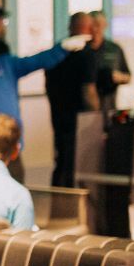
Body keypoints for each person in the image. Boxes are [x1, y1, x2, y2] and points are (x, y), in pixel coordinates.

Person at [0, 24, 88, 182]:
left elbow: (36, 61)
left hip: (10, 145)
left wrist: (62, 48)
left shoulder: (4, 64)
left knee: (15, 187)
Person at [45, 12, 99, 187]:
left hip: (59, 115)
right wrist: (97, 117)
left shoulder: (58, 51)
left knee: (62, 161)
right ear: (87, 28)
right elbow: (88, 90)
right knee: (78, 163)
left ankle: (59, 207)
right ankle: (75, 207)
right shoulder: (85, 53)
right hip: (79, 118)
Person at [89, 10, 131, 109]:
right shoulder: (81, 50)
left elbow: (128, 76)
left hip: (109, 106)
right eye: (92, 25)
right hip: (85, 108)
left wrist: (117, 77)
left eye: (98, 25)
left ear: (105, 25)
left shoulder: (115, 49)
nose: (95, 29)